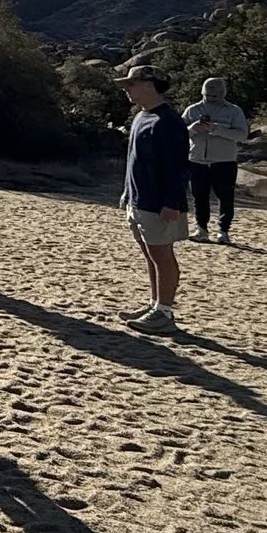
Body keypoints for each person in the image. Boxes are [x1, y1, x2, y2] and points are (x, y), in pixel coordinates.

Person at [117, 60, 190, 333]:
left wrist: (172, 202)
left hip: (159, 203)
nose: (127, 90)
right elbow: (133, 160)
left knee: (162, 254)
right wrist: (127, 191)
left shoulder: (168, 121)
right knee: (150, 254)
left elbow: (177, 165)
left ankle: (165, 312)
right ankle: (154, 304)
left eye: (131, 84)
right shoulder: (140, 117)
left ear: (149, 85)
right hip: (139, 200)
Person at [181, 74, 250, 244]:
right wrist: (192, 128)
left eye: (214, 96)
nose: (210, 99)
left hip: (224, 161)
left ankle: (223, 231)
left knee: (225, 197)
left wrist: (217, 129)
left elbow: (242, 135)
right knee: (199, 197)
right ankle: (201, 229)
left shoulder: (234, 111)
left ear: (223, 94)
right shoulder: (192, 110)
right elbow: (178, 134)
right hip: (197, 160)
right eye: (207, 96)